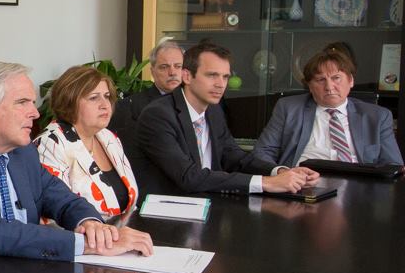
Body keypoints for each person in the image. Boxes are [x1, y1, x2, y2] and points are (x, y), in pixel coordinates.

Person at [0, 61, 153, 272]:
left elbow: (62, 199)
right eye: (23, 102)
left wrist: (91, 224)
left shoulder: (22, 151)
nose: (35, 113)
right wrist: (89, 244)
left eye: (33, 102)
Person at [136, 41, 320, 196]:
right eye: (212, 75)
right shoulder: (158, 115)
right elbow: (189, 177)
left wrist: (280, 171)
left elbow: (234, 157)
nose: (220, 84)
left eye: (225, 77)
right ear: (187, 76)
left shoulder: (213, 110)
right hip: (168, 210)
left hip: (210, 202)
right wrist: (266, 183)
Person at [253, 42, 404, 167]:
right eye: (320, 80)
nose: (329, 87)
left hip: (357, 187)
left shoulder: (377, 116)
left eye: (336, 78)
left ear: (351, 80)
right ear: (310, 86)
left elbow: (393, 165)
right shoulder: (289, 108)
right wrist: (281, 173)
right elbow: (262, 152)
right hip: (303, 184)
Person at [37, 65, 139, 219]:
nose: (105, 105)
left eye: (107, 96)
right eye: (94, 98)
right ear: (69, 102)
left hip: (123, 230)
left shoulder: (108, 137)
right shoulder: (51, 143)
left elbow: (131, 203)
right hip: (82, 233)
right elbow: (55, 212)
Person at [108, 37, 184, 141]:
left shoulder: (196, 105)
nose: (172, 72)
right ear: (152, 72)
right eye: (164, 67)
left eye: (178, 66)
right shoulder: (128, 107)